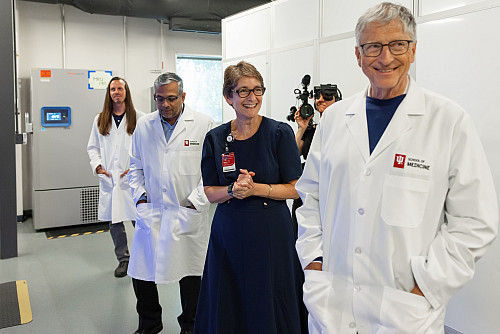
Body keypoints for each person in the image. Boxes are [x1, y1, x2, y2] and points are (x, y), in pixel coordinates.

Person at [295, 2, 498, 334]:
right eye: (372, 46)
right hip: (331, 302)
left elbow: (475, 222)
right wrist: (314, 263)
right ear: (358, 55)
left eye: (397, 45)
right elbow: (310, 198)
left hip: (406, 310)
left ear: (413, 50)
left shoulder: (447, 120)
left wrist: (426, 287)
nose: (385, 57)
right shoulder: (333, 119)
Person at [194, 61, 308, 334]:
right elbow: (210, 191)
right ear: (228, 96)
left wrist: (257, 188)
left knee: (270, 295)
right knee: (230, 297)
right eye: (243, 91)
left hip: (271, 233)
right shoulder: (215, 138)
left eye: (257, 90)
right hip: (229, 231)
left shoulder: (279, 133)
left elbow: (296, 188)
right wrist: (233, 190)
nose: (251, 98)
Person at [127, 73, 214, 334]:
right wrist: (140, 198)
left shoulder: (203, 123)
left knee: (191, 276)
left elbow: (210, 172)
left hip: (186, 212)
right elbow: (135, 166)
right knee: (141, 274)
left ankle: (190, 326)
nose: (165, 104)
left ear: (183, 97)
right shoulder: (144, 125)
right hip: (151, 210)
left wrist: (195, 202)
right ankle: (149, 324)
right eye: (160, 99)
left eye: (171, 98)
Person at [87, 76, 144, 278]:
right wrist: (99, 167)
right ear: (109, 93)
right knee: (115, 224)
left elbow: (147, 149)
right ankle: (124, 260)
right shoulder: (100, 119)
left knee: (141, 221)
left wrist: (137, 167)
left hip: (133, 179)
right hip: (110, 180)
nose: (117, 92)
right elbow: (92, 147)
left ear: (126, 92)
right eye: (113, 89)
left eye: (120, 88)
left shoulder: (139, 117)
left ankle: (143, 256)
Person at [291, 83, 341, 238]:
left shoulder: (346, 127)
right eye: (318, 96)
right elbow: (292, 156)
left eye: (327, 96)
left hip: (334, 193)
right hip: (307, 193)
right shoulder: (312, 129)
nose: (320, 100)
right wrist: (301, 128)